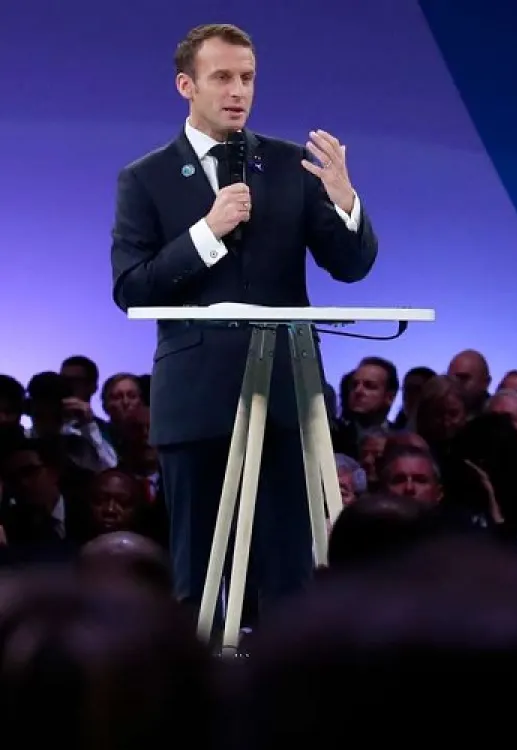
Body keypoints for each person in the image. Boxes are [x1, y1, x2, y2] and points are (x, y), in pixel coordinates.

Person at [109, 24, 378, 610]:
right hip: (197, 399)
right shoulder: (146, 177)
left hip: (285, 394)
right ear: (187, 85)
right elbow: (131, 288)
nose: (238, 91)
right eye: (222, 77)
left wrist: (344, 200)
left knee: (289, 577)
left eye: (248, 78)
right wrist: (207, 232)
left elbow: (350, 266)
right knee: (197, 583)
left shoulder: (287, 166)